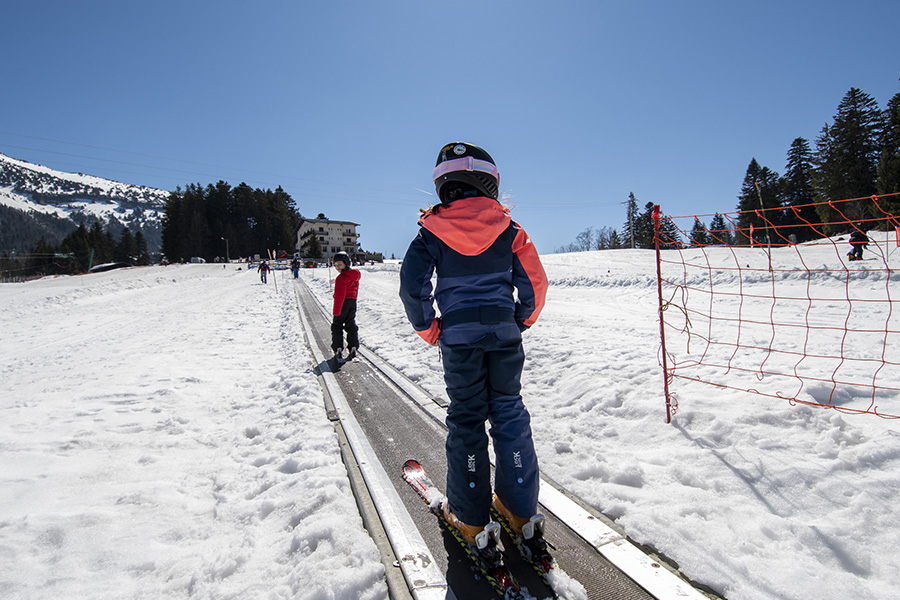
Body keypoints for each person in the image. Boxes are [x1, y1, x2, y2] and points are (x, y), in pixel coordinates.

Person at [399, 142, 549, 550]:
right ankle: (519, 510)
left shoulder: (430, 232)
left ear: (442, 185)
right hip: (504, 336)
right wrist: (519, 319)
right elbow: (535, 282)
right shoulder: (510, 229)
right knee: (509, 410)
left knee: (467, 418)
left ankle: (470, 519)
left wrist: (429, 327)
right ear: (491, 183)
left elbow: (412, 287)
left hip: (459, 340)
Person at [331, 251, 360, 360]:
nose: (337, 267)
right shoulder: (355, 275)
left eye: (339, 264)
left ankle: (338, 347)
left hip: (343, 303)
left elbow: (340, 296)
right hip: (352, 302)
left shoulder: (341, 278)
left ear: (346, 263)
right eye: (335, 265)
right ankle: (353, 346)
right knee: (350, 324)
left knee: (337, 325)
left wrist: (336, 312)